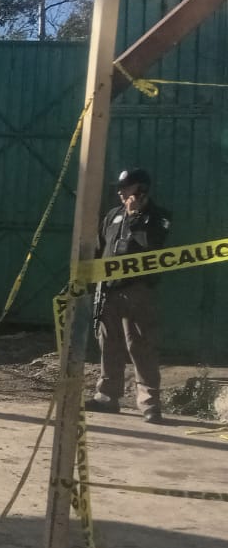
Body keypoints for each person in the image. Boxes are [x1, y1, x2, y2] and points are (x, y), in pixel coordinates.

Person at [89, 168, 170, 424]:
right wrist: (93, 280)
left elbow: (153, 244)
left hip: (138, 288)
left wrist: (136, 216)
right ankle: (107, 396)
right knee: (108, 342)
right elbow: (101, 248)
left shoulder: (158, 218)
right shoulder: (113, 215)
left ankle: (149, 404)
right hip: (109, 288)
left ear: (141, 190)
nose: (121, 192)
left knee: (140, 345)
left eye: (127, 187)